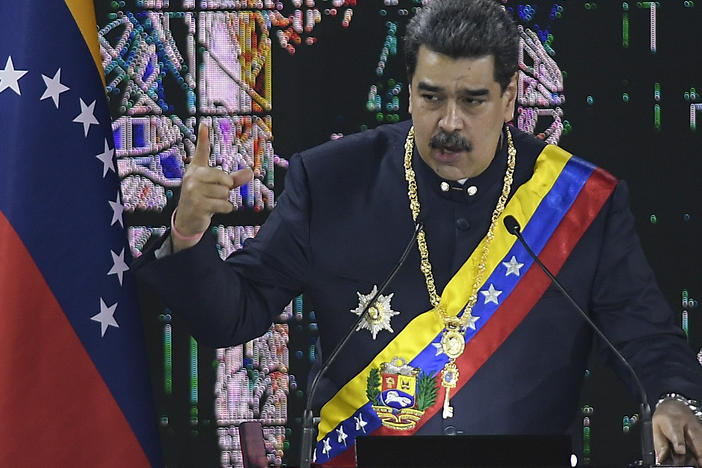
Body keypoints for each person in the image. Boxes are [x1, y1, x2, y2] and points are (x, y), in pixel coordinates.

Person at [134, 0, 702, 465]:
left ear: (509, 100)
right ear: (409, 89)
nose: (449, 122)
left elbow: (648, 340)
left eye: (473, 100)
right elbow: (235, 314)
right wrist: (188, 233)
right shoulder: (331, 181)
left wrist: (673, 401)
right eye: (431, 97)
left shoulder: (577, 204)